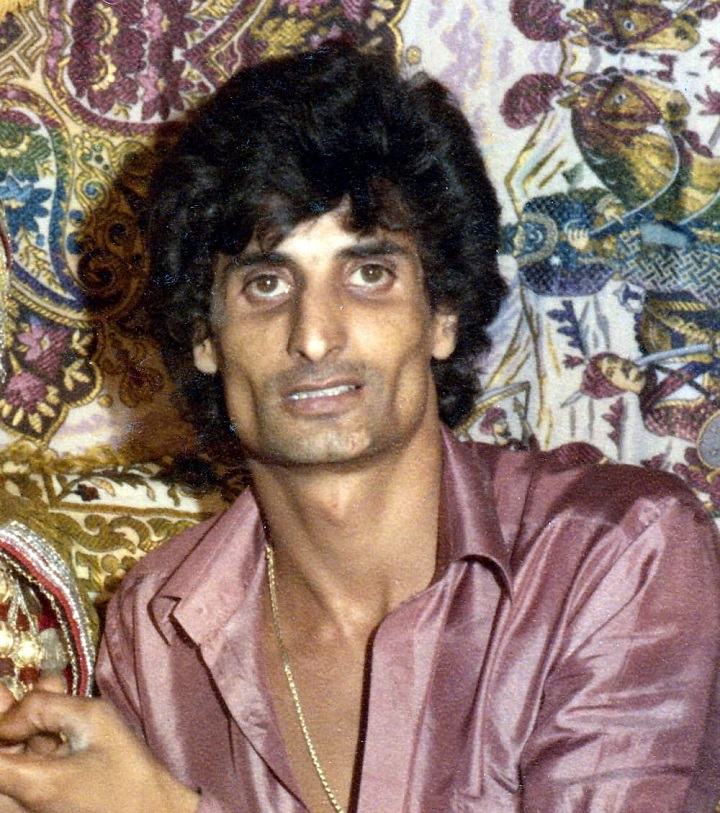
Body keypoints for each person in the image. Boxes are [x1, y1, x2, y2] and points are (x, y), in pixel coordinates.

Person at [0, 42, 717, 813]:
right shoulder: (158, 625)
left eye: (369, 274)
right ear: (204, 338)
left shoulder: (614, 551)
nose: (315, 335)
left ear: (442, 313)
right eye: (265, 283)